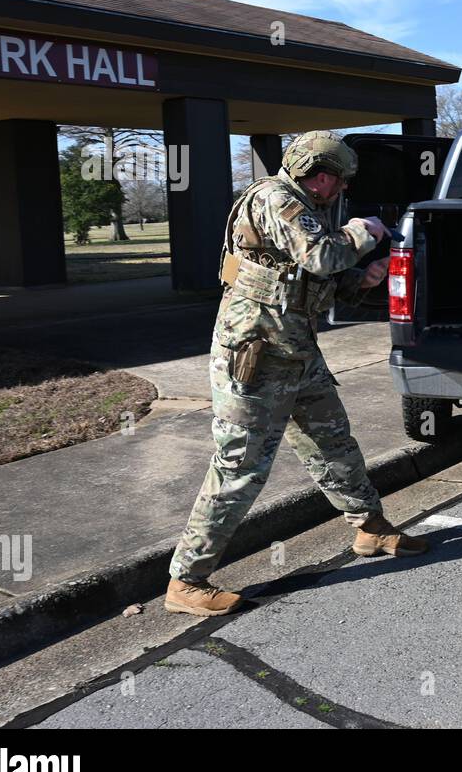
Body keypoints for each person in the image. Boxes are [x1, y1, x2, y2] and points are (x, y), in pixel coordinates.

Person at [165, 130, 428, 616]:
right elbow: (323, 255)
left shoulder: (309, 205)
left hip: (296, 350)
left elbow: (310, 276)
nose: (345, 189)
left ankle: (370, 528)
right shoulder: (276, 198)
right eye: (342, 180)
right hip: (256, 357)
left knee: (334, 442)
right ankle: (187, 580)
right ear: (322, 174)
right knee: (240, 466)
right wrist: (366, 230)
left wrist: (362, 280)